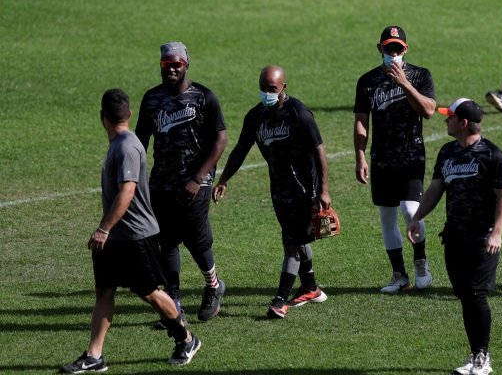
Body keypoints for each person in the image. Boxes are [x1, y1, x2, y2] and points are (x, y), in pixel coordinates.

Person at [61, 89, 201, 373]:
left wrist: (103, 228)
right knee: (104, 292)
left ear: (102, 117)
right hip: (116, 236)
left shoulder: (126, 146)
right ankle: (94, 356)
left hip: (135, 235)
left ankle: (186, 338)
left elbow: (128, 190)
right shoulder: (121, 143)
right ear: (130, 114)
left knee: (150, 293)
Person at [212, 65, 331, 319]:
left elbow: (319, 149)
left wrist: (324, 189)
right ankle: (311, 288)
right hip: (278, 189)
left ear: (283, 88)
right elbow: (241, 149)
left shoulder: (299, 113)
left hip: (304, 188)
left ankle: (280, 300)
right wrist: (224, 179)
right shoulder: (255, 117)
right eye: (263, 88)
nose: (267, 93)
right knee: (295, 238)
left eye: (272, 89)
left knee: (291, 243)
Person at [406, 98, 502, 375]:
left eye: (450, 117)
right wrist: (417, 217)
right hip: (454, 237)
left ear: (463, 123)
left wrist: (497, 233)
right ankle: (475, 353)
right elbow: (435, 189)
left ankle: (482, 358)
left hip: (483, 238)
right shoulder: (447, 153)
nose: (445, 121)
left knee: (476, 294)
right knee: (466, 296)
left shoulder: (493, 156)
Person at [135, 42, 227, 325]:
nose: (172, 68)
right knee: (167, 241)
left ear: (186, 64)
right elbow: (140, 141)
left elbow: (220, 139)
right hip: (162, 183)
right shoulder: (151, 100)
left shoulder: (203, 98)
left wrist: (198, 178)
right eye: (166, 64)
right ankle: (173, 302)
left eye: (176, 64)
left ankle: (213, 285)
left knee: (196, 241)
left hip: (196, 183)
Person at [354, 25, 436, 294]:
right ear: (380, 49)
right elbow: (361, 122)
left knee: (411, 212)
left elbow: (429, 111)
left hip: (411, 155)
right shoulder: (366, 82)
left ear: (406, 49)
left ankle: (421, 263)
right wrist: (359, 156)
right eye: (389, 48)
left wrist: (404, 83)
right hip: (381, 159)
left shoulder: (420, 75)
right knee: (387, 217)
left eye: (398, 48)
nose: (393, 53)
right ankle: (399, 275)